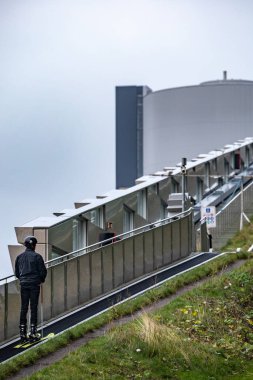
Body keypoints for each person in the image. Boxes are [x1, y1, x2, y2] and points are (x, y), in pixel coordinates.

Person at [15, 236, 47, 342]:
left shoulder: (19, 257)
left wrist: (23, 279)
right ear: (33, 245)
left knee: (24, 308)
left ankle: (22, 333)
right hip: (34, 284)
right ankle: (33, 332)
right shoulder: (37, 257)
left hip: (24, 284)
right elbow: (43, 271)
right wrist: (40, 280)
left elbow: (17, 273)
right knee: (33, 307)